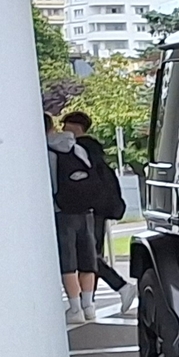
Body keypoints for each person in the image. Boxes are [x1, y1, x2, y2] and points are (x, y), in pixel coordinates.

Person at [47, 112, 115, 323]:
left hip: (62, 212)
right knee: (87, 260)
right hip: (86, 212)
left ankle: (74, 308)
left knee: (68, 262)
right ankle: (89, 306)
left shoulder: (47, 152)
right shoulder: (78, 149)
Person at [57, 111, 129, 299]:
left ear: (75, 126)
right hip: (100, 207)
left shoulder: (79, 149)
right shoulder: (95, 150)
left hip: (87, 208)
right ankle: (90, 298)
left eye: (66, 125)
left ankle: (120, 286)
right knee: (92, 254)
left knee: (89, 256)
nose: (63, 129)